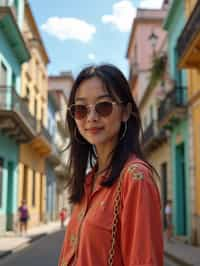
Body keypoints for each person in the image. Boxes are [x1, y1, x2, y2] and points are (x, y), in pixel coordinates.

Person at [58, 64, 163, 266]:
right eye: (81, 109)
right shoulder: (89, 180)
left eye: (103, 106)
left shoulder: (135, 179)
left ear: (125, 112)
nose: (91, 117)